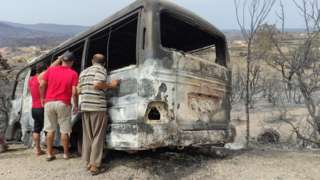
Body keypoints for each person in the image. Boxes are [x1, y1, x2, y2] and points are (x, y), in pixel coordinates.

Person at [78, 54, 118, 175]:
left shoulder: (84, 72)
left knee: (88, 136)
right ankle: (95, 166)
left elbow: (78, 90)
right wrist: (112, 85)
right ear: (104, 63)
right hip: (97, 106)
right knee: (98, 136)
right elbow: (97, 84)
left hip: (85, 107)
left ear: (92, 61)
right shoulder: (101, 70)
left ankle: (88, 162)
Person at [39, 51, 79, 161]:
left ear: (62, 60)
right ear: (71, 62)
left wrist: (42, 98)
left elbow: (42, 84)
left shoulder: (51, 70)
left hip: (49, 102)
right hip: (63, 103)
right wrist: (75, 105)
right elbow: (74, 92)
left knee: (50, 130)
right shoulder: (73, 73)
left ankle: (49, 154)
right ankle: (66, 154)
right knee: (64, 130)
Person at [29, 59, 62, 156]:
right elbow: (50, 68)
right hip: (42, 106)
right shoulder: (41, 77)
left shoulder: (31, 80)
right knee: (48, 129)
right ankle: (50, 150)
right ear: (44, 70)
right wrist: (59, 59)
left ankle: (38, 150)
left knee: (36, 129)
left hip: (34, 108)